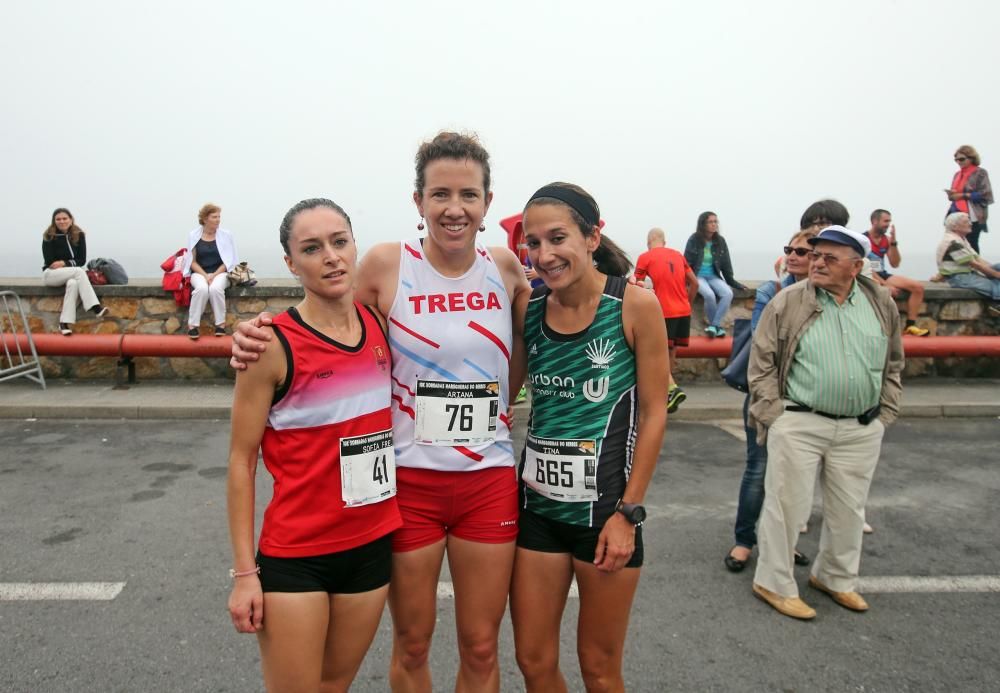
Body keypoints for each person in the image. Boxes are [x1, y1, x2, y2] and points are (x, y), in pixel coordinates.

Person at [232, 131, 531, 692]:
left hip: (487, 479)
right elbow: (330, 318)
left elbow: (527, 345)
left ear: (488, 203)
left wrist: (502, 406)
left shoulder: (506, 268)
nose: (454, 208)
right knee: (413, 644)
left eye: (469, 194)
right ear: (418, 201)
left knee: (483, 646)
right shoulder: (386, 264)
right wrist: (250, 334)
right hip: (407, 484)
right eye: (440, 193)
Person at [226, 198, 403, 692]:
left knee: (334, 685)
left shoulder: (380, 326)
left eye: (339, 242)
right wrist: (244, 573)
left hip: (370, 546)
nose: (330, 256)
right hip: (298, 555)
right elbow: (242, 462)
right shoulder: (269, 346)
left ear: (353, 246)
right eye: (311, 248)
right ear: (290, 263)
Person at [509, 183, 668, 692]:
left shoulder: (634, 306)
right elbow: (503, 394)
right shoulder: (529, 308)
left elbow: (653, 413)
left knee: (599, 670)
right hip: (538, 515)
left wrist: (629, 513)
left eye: (557, 238)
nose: (544, 255)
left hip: (605, 516)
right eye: (532, 244)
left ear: (592, 236)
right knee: (533, 661)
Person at [747, 225, 903, 620]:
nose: (817, 262)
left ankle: (835, 578)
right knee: (787, 508)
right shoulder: (788, 301)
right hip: (800, 421)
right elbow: (761, 362)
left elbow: (894, 361)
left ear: (855, 266)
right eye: (816, 255)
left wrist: (884, 413)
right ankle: (773, 582)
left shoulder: (880, 302)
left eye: (829, 258)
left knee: (849, 510)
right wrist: (774, 415)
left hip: (860, 426)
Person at [724, 200, 844, 574]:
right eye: (789, 250)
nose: (792, 256)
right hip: (768, 394)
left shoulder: (831, 297)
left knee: (792, 478)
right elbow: (765, 341)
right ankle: (744, 541)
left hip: (806, 399)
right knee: (758, 471)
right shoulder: (773, 291)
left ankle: (783, 542)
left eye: (801, 252)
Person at [633, 227, 698, 413]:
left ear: (648, 241)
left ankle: (671, 390)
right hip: (683, 311)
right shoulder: (678, 255)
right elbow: (695, 283)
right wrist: (688, 302)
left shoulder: (646, 257)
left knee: (658, 351)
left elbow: (634, 284)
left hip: (664, 311)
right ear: (664, 241)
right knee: (670, 352)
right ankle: (668, 394)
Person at [40, 208, 110, 335]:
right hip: (51, 275)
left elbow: (81, 259)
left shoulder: (79, 235)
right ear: (54, 221)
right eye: (58, 219)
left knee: (73, 283)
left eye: (65, 218)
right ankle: (95, 307)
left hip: (70, 274)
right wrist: (67, 263)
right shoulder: (48, 237)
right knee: (78, 271)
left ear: (71, 219)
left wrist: (64, 263)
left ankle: (64, 324)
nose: (62, 221)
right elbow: (50, 262)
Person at [864, 209, 930, 336]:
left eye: (889, 221)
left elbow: (895, 263)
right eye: (885, 221)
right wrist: (884, 285)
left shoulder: (887, 240)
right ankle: (883, 328)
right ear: (874, 221)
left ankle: (910, 326)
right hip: (867, 273)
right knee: (888, 292)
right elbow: (864, 266)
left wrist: (893, 243)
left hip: (881, 273)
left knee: (918, 288)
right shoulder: (864, 239)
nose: (888, 224)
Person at [684, 211, 746, 337]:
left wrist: (734, 283)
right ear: (703, 224)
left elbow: (726, 264)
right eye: (710, 222)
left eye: (715, 222)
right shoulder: (694, 239)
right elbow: (686, 262)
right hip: (698, 276)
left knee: (728, 293)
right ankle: (717, 327)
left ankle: (714, 325)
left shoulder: (720, 241)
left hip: (713, 276)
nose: (714, 224)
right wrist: (685, 282)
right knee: (709, 295)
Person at [184, 203, 238, 339]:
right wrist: (205, 275)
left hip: (221, 272)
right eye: (214, 217)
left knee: (215, 289)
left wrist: (214, 275)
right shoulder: (193, 235)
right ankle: (193, 326)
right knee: (201, 289)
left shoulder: (226, 235)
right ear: (205, 218)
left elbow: (228, 261)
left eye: (219, 217)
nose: (218, 220)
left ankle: (220, 325)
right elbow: (192, 261)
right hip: (199, 273)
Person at [937, 212, 1000, 315]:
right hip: (959, 278)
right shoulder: (953, 242)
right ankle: (996, 305)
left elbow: (979, 260)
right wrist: (996, 274)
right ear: (955, 227)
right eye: (966, 222)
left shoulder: (962, 240)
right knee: (993, 284)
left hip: (968, 274)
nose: (970, 224)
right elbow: (975, 265)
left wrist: (994, 270)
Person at [945, 145, 993, 253]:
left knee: (971, 243)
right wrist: (951, 195)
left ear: (971, 158)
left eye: (961, 159)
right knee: (955, 243)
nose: (958, 162)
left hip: (973, 215)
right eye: (956, 159)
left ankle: (974, 268)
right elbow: (955, 195)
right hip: (955, 212)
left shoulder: (980, 173)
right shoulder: (957, 174)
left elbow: (986, 195)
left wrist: (963, 195)